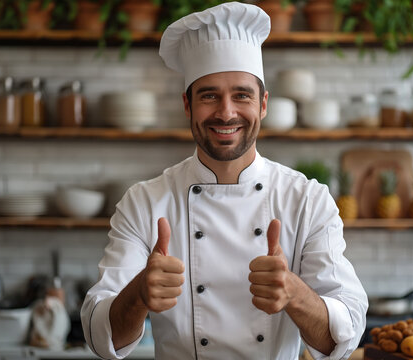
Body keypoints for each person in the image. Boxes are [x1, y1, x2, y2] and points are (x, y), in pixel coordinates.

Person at [81, 2, 368, 359]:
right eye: (209, 96)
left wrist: (295, 294)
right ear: (187, 105)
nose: (226, 112)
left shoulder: (308, 200)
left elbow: (345, 336)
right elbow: (98, 334)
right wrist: (138, 295)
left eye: (242, 95)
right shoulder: (144, 202)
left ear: (263, 104)